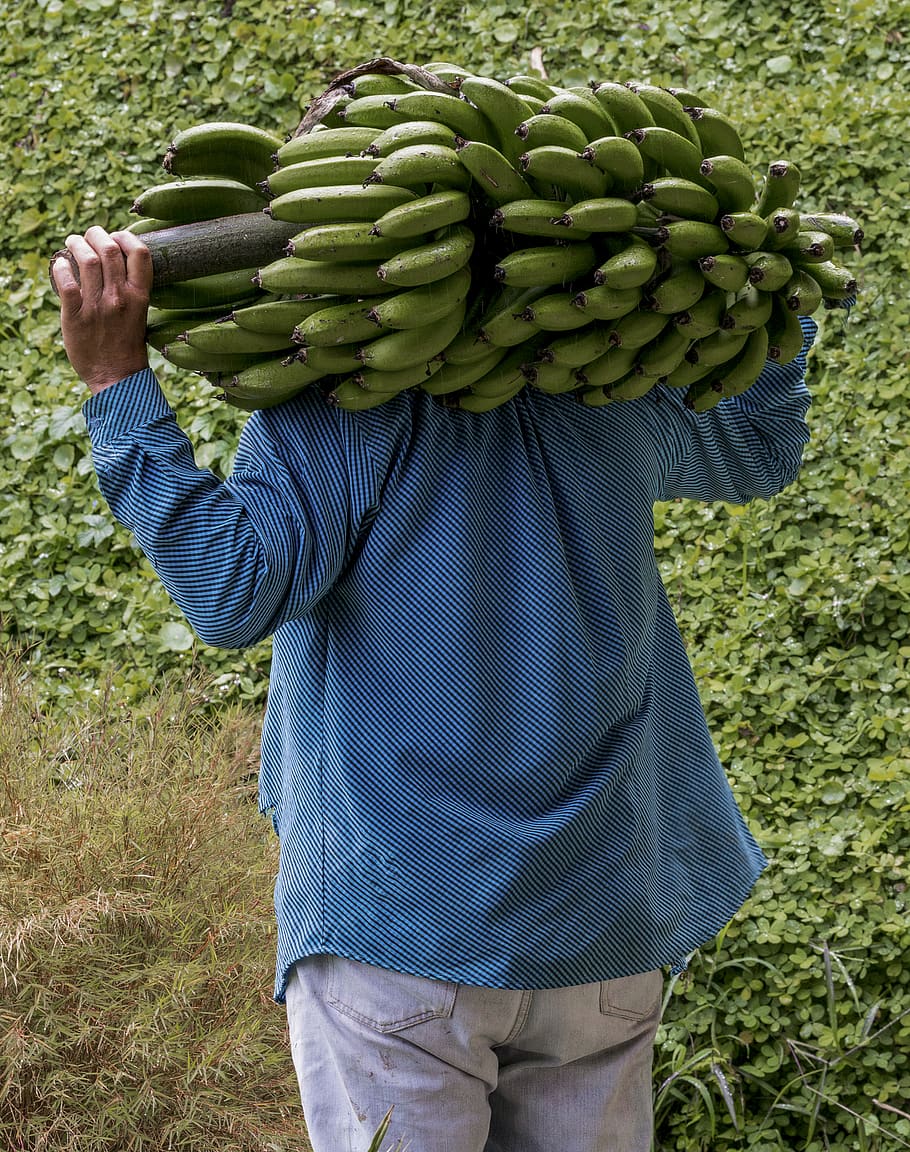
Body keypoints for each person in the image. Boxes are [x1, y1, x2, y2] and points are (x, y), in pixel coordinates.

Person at [54, 225, 820, 1152]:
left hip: (399, 931)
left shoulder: (340, 410)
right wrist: (774, 296)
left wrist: (116, 386)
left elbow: (229, 585)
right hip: (602, 930)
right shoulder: (610, 387)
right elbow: (758, 449)